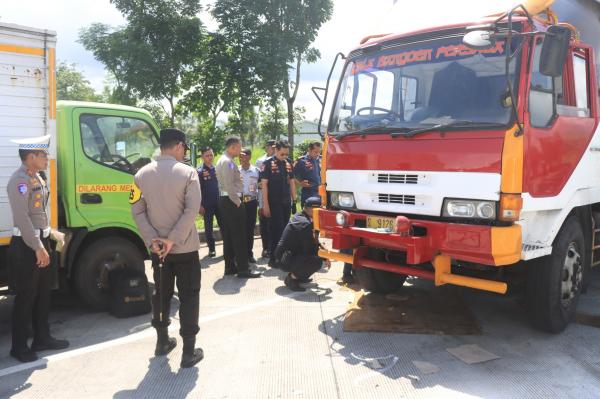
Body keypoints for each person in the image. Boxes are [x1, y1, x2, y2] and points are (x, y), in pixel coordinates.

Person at [130, 128, 204, 368]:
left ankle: (162, 342)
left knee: (160, 294)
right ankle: (188, 352)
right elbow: (191, 210)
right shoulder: (188, 172)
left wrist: (154, 239)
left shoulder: (140, 174)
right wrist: (173, 239)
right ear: (180, 146)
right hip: (184, 248)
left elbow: (137, 211)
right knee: (189, 296)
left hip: (158, 251)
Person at [7, 135, 70, 363]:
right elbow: (22, 218)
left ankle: (42, 338)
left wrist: (50, 232)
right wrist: (37, 247)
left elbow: (39, 213)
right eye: (43, 155)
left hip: (41, 242)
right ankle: (19, 347)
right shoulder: (19, 181)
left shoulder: (39, 178)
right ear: (31, 157)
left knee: (44, 294)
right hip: (27, 247)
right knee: (26, 297)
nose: (47, 158)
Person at [215, 136, 261, 279]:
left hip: (226, 200)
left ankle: (230, 266)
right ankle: (243, 269)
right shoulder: (228, 162)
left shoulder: (225, 160)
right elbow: (229, 185)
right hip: (231, 200)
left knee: (229, 235)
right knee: (239, 235)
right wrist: (237, 202)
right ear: (233, 147)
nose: (241, 150)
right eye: (240, 147)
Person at [272, 197, 330, 291]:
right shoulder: (305, 224)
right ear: (312, 209)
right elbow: (310, 248)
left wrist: (322, 247)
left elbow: (313, 241)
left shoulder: (302, 216)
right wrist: (325, 257)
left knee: (314, 257)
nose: (321, 212)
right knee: (317, 261)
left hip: (287, 255)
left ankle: (300, 276)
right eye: (320, 209)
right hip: (284, 259)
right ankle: (292, 279)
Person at [260, 140, 297, 264]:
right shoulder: (267, 164)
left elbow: (291, 182)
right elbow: (264, 185)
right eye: (282, 154)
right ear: (276, 151)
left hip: (286, 202)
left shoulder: (288, 163)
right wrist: (265, 205)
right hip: (273, 203)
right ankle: (273, 258)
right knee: (276, 230)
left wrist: (295, 200)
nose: (285, 156)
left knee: (285, 230)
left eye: (286, 154)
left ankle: (282, 257)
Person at [198, 146, 221, 258]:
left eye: (211, 155)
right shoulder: (199, 172)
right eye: (207, 155)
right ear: (202, 157)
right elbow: (197, 191)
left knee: (224, 225)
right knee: (208, 228)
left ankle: (229, 248)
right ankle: (211, 249)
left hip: (219, 203)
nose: (210, 157)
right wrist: (199, 205)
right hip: (207, 205)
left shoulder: (216, 169)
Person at [239, 148, 260, 263]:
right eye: (240, 156)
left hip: (251, 202)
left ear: (249, 157)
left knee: (250, 229)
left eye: (243, 155)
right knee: (240, 229)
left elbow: (261, 188)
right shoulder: (236, 170)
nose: (241, 158)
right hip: (239, 202)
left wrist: (261, 204)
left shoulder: (256, 171)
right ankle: (241, 254)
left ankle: (249, 253)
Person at [255, 140, 276, 258]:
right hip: (263, 195)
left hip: (275, 197)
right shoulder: (260, 161)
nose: (273, 150)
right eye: (271, 147)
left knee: (274, 224)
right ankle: (266, 248)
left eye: (274, 147)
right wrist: (261, 203)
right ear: (266, 148)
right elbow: (259, 182)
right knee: (264, 224)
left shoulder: (278, 160)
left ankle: (274, 248)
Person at [293, 141, 322, 207]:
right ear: (309, 150)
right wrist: (300, 183)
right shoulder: (301, 161)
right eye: (315, 152)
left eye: (319, 152)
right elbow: (290, 175)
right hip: (309, 194)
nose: (317, 154)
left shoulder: (321, 159)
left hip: (321, 194)